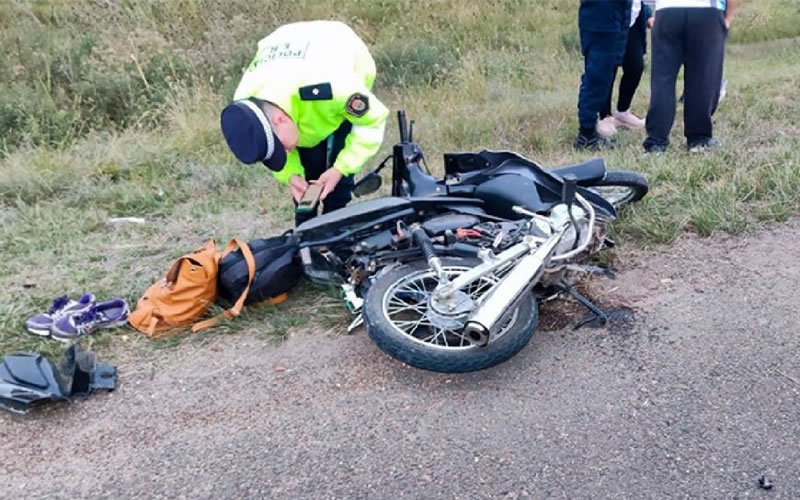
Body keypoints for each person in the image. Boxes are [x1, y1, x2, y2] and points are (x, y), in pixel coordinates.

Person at [220, 21, 389, 225]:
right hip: (287, 55)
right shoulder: (246, 106)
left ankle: (336, 217)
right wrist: (291, 175)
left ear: (280, 119)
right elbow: (271, 147)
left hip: (337, 51)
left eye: (281, 148)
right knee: (309, 172)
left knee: (338, 164)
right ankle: (306, 223)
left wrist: (340, 169)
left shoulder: (336, 89)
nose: (285, 152)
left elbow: (373, 120)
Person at [643, 0, 740, 153]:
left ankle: (656, 140)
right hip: (706, 10)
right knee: (702, 78)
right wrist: (728, 18)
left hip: (667, 10)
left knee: (663, 79)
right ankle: (698, 138)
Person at [576, 0, 633, 150]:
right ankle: (586, 134)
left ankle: (589, 128)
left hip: (609, 18)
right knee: (597, 78)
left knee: (602, 77)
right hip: (603, 20)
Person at [597, 0, 654, 137]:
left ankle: (623, 112)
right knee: (609, 67)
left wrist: (647, 15)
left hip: (633, 20)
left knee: (636, 67)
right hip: (610, 19)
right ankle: (604, 117)